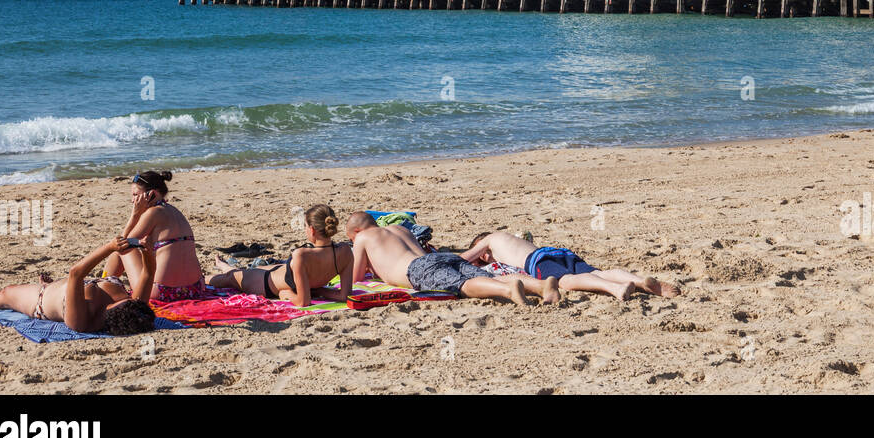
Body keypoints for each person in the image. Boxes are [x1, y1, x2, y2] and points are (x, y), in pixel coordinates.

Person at [343, 212, 559, 305]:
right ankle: (541, 286)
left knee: (462, 285)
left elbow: (356, 277)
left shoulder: (362, 237)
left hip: (417, 269)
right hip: (439, 258)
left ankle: (508, 290)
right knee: (480, 274)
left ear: (358, 230)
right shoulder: (398, 228)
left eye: (351, 238)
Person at [0, 237, 156, 335]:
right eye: (128, 298)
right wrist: (147, 252)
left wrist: (109, 247)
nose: (127, 297)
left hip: (41, 300)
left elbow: (76, 273)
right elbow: (148, 272)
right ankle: (54, 286)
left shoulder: (82, 322)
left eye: (124, 300)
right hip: (68, 288)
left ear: (111, 313)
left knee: (5, 295)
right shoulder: (134, 306)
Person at [461, 230, 681, 300]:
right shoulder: (511, 238)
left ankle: (615, 289)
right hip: (558, 251)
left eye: (484, 255)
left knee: (565, 281)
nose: (486, 259)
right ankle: (639, 281)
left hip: (538, 260)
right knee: (599, 272)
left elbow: (463, 258)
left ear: (482, 244)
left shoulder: (490, 239)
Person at [208, 205, 351, 307]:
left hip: (265, 284)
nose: (305, 230)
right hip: (277, 272)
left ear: (312, 230)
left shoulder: (302, 255)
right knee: (238, 272)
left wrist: (286, 295)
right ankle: (224, 265)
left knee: (230, 278)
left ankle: (206, 276)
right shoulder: (345, 252)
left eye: (305, 226)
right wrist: (319, 290)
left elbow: (303, 302)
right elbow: (344, 296)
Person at [105, 170, 207, 301]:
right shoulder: (174, 211)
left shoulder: (153, 213)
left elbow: (121, 246)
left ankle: (102, 285)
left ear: (152, 194)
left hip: (163, 292)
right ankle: (103, 282)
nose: (132, 200)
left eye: (136, 195)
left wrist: (134, 215)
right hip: (195, 289)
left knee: (119, 249)